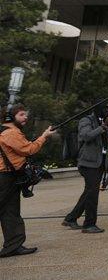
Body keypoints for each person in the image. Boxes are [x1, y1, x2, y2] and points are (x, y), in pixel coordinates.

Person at [0, 104, 54, 257]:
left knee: (10, 212)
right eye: (21, 115)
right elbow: (29, 149)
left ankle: (13, 246)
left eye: (25, 114)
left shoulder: (5, 131)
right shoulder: (10, 133)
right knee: (9, 211)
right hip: (5, 178)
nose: (26, 117)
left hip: (7, 177)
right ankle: (13, 245)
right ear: (10, 117)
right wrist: (44, 136)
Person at [63, 104, 108, 234]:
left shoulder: (102, 122)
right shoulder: (87, 120)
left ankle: (71, 218)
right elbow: (86, 136)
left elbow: (104, 141)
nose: (107, 112)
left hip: (98, 162)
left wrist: (107, 127)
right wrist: (102, 128)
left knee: (89, 192)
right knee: (92, 194)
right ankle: (89, 224)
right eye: (105, 109)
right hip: (88, 163)